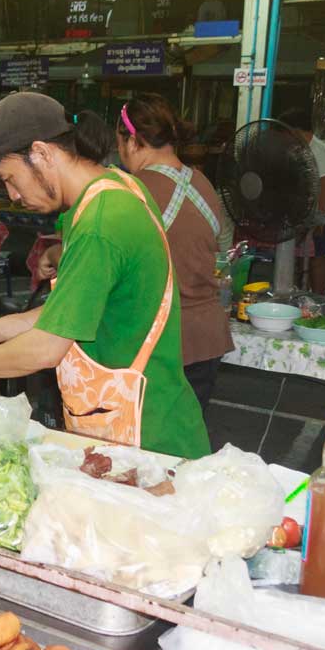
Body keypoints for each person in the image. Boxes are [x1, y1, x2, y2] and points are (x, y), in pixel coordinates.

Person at [0, 92, 210, 459]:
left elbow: (47, 348)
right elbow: (83, 309)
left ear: (42, 153)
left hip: (147, 441)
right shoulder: (116, 189)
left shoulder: (101, 223)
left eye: (10, 178)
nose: (13, 195)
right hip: (135, 422)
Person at [116, 94, 233, 413]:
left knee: (147, 449)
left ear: (131, 141)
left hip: (157, 341)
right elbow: (219, 247)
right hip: (206, 337)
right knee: (188, 440)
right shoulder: (204, 184)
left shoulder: (132, 189)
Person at [280, 111, 325, 294]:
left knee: (316, 257)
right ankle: (300, 295)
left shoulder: (317, 148)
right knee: (302, 257)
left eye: (286, 132)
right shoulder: (299, 147)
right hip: (307, 212)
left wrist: (319, 218)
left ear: (295, 130)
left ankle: (317, 300)